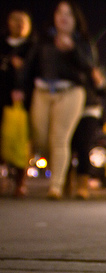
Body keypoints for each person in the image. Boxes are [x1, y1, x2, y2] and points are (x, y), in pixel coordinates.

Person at [15, 1, 94, 200]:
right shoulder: (43, 39)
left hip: (70, 91)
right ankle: (63, 174)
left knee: (60, 138)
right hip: (42, 91)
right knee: (40, 138)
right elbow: (29, 65)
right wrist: (19, 87)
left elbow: (90, 67)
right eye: (60, 12)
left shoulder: (82, 41)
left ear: (75, 19)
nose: (63, 17)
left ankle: (56, 186)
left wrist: (73, 49)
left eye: (69, 13)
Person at [0, 10, 35, 197]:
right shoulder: (2, 44)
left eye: (23, 21)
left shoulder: (32, 46)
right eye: (15, 20)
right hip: (2, 96)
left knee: (22, 140)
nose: (19, 24)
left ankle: (20, 181)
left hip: (24, 100)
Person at [68, 47, 106, 200]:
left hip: (89, 109)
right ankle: (66, 182)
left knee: (84, 147)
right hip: (69, 108)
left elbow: (105, 89)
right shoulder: (70, 65)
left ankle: (82, 185)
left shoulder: (97, 68)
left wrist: (99, 80)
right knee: (67, 145)